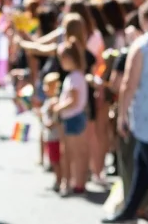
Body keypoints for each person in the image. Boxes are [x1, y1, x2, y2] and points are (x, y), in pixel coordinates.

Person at [105, 0, 148, 224]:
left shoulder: (142, 44)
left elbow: (128, 84)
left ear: (145, 19)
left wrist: (122, 116)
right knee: (143, 159)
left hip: (146, 115)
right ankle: (130, 209)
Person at [52, 37, 90, 196]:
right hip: (75, 117)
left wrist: (57, 108)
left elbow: (73, 101)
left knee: (71, 153)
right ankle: (78, 182)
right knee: (76, 152)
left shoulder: (74, 77)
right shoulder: (76, 76)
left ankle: (74, 183)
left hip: (72, 118)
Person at [40, 72, 63, 191]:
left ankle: (59, 181)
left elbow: (55, 119)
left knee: (56, 160)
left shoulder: (54, 101)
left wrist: (50, 124)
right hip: (50, 136)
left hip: (55, 136)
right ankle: (58, 180)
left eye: (48, 85)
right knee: (53, 159)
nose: (44, 88)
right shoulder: (48, 100)